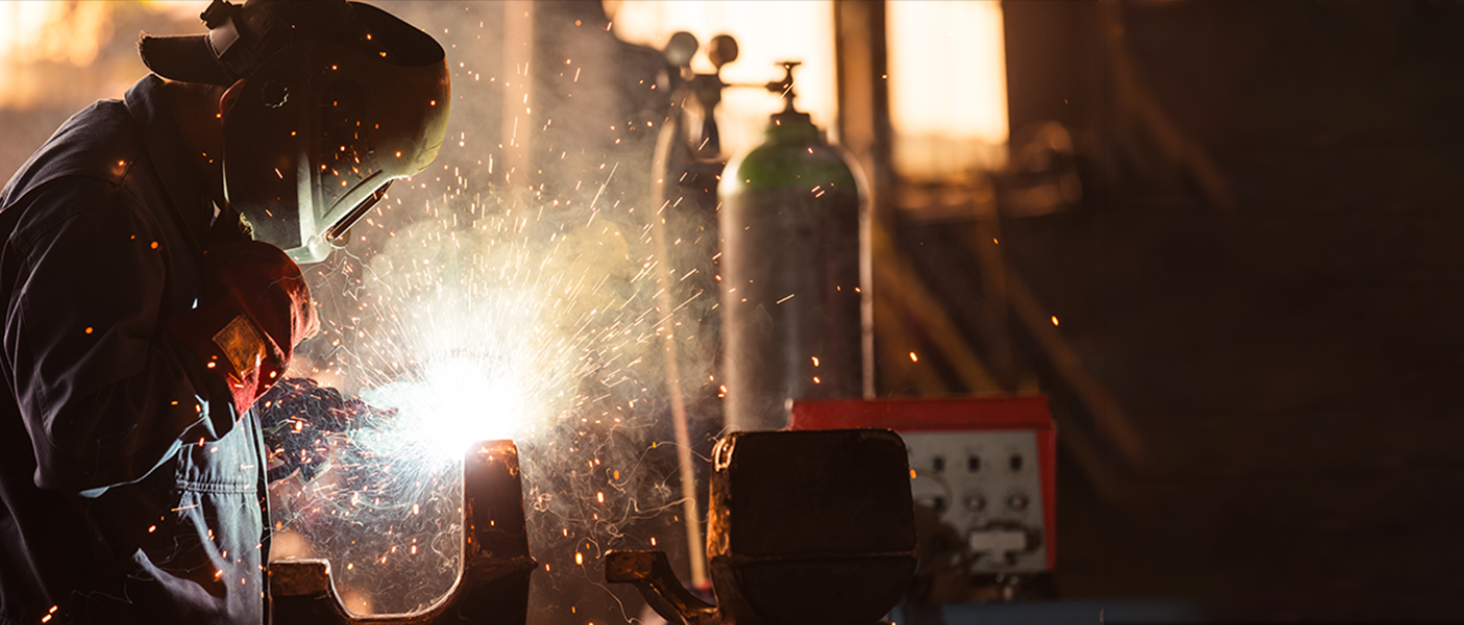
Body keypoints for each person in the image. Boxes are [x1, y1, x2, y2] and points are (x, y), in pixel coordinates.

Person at [0, 0, 448, 622]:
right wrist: (246, 340)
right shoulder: (104, 206)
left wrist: (279, 422)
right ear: (256, 105)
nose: (337, 192)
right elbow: (88, 437)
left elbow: (165, 407)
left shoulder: (182, 197)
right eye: (338, 166)